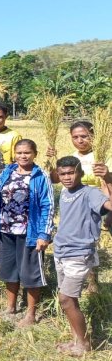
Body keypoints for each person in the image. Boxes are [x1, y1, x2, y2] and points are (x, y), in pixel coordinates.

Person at [53, 156, 112, 356]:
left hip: (78, 254)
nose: (67, 177)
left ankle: (84, 346)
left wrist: (108, 179)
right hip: (61, 252)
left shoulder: (90, 193)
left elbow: (110, 205)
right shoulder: (64, 193)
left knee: (66, 299)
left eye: (71, 173)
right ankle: (77, 339)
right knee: (70, 300)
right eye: (63, 174)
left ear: (81, 173)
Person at [0, 139, 54, 326]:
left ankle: (30, 315)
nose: (23, 156)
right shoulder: (7, 172)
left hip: (30, 232)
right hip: (6, 230)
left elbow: (48, 205)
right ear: (14, 154)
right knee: (9, 270)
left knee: (30, 273)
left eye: (27, 152)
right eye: (19, 153)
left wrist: (44, 234)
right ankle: (10, 307)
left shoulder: (40, 175)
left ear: (35, 153)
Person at [47, 120, 112, 294]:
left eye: (84, 136)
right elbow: (55, 179)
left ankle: (92, 282)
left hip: (100, 202)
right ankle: (86, 282)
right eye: (75, 137)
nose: (80, 140)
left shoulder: (103, 155)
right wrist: (52, 160)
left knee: (90, 242)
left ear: (93, 136)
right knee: (85, 243)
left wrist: (107, 176)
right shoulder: (73, 158)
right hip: (77, 205)